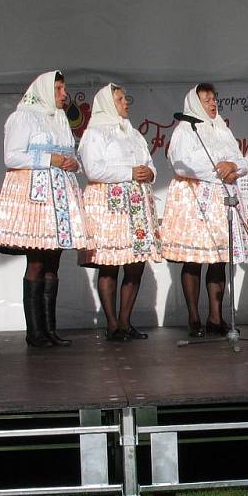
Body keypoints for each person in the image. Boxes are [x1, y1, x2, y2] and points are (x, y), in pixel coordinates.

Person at [0, 71, 91, 347]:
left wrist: (72, 163)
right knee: (36, 261)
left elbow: (69, 155)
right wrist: (51, 158)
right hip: (36, 199)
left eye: (64, 88)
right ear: (45, 90)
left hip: (59, 196)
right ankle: (34, 332)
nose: (63, 94)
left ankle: (49, 329)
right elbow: (12, 155)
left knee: (53, 263)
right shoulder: (23, 117)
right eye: (58, 89)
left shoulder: (59, 119)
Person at [161, 84, 248, 338]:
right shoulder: (185, 129)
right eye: (206, 99)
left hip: (222, 199)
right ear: (195, 103)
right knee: (194, 260)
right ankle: (193, 317)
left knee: (218, 260)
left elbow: (242, 161)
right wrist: (219, 169)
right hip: (195, 200)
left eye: (214, 99)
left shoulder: (222, 128)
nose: (213, 103)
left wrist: (233, 166)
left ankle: (216, 316)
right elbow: (181, 163)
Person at [78, 83, 162, 341]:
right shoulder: (94, 134)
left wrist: (150, 173)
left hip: (137, 205)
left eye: (125, 98)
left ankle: (126, 321)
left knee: (135, 264)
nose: (126, 103)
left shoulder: (134, 134)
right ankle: (112, 324)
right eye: (119, 99)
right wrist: (128, 173)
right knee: (110, 264)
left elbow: (149, 164)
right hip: (109, 206)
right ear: (107, 103)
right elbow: (93, 170)